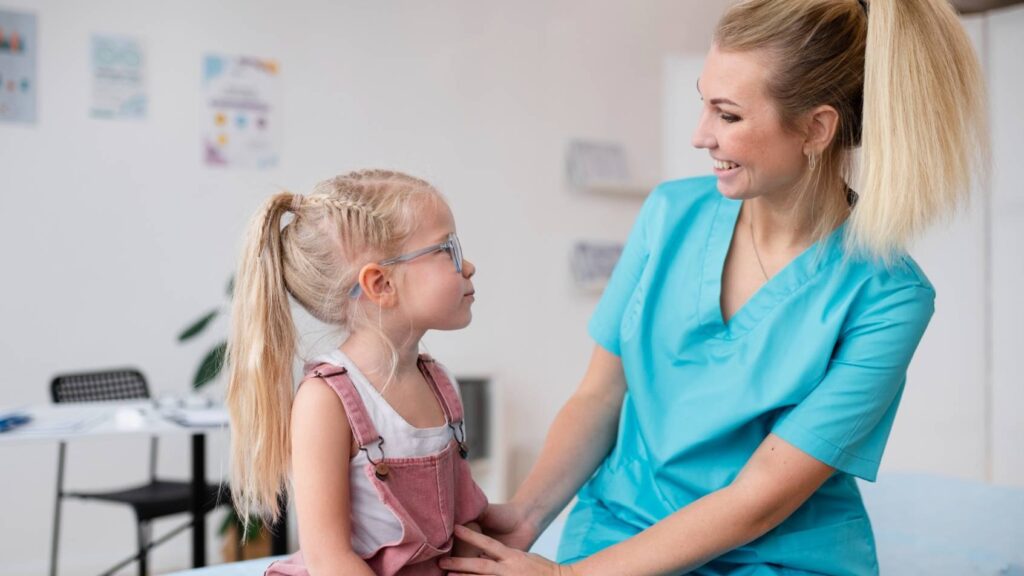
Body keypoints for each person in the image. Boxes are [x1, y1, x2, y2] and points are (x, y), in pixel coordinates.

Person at [441, 0, 988, 574]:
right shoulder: (669, 214)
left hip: (773, 554)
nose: (701, 135)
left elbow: (760, 501)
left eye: (727, 115)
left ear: (816, 128)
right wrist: (528, 515)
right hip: (618, 528)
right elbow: (599, 395)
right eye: (702, 104)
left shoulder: (889, 297)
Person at [225, 169, 488, 575]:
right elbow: (330, 558)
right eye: (445, 249)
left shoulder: (440, 385)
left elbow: (464, 530)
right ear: (380, 283)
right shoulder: (325, 402)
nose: (468, 266)